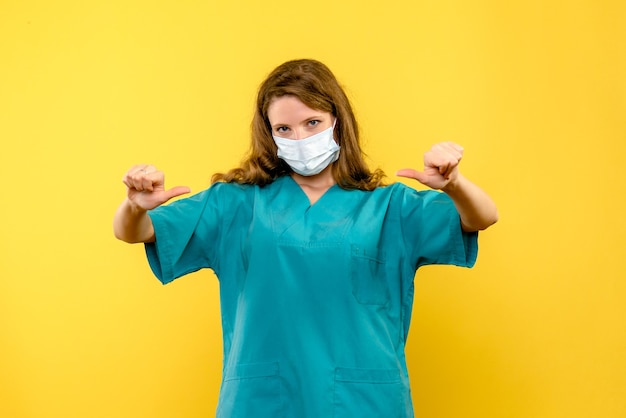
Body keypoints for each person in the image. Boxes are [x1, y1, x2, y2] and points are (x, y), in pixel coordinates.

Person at [113, 59, 498, 418]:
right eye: (284, 129)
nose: (299, 136)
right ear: (270, 133)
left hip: (363, 400)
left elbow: (481, 217)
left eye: (312, 123)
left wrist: (455, 184)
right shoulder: (236, 204)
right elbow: (138, 232)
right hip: (263, 400)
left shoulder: (389, 207)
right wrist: (136, 206)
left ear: (337, 121)